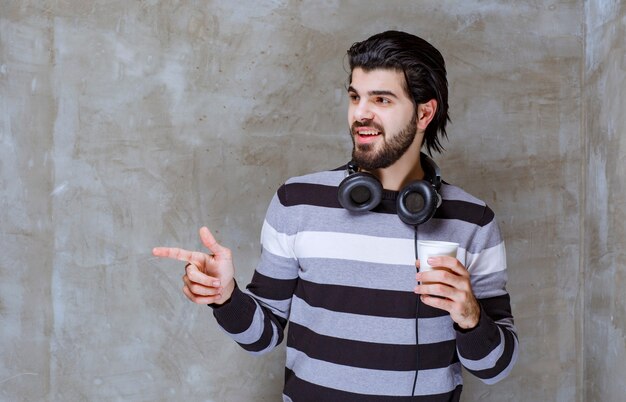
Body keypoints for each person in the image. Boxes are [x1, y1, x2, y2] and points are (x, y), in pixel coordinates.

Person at [153, 30, 518, 401]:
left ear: (424, 112)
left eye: (382, 99)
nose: (361, 112)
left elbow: (495, 367)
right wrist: (226, 296)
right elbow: (263, 338)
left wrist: (471, 318)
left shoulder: (473, 221)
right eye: (355, 96)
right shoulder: (296, 202)